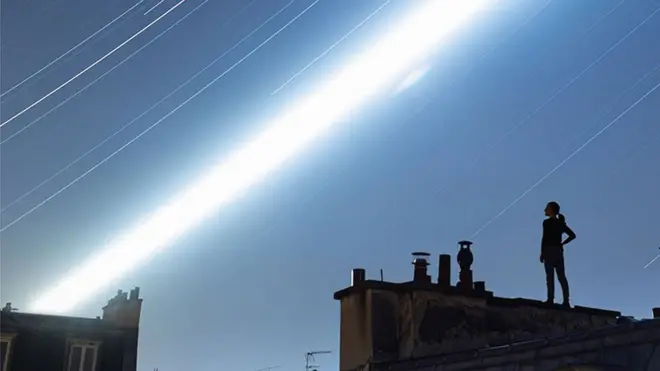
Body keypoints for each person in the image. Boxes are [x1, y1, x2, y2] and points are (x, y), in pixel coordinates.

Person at [540, 201, 576, 307]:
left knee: (550, 277)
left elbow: (544, 238)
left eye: (547, 208)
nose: (545, 210)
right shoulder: (560, 223)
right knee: (561, 277)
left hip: (549, 250)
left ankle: (550, 299)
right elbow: (572, 235)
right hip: (558, 252)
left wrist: (542, 253)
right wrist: (562, 243)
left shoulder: (546, 223)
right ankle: (566, 301)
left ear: (551, 210)